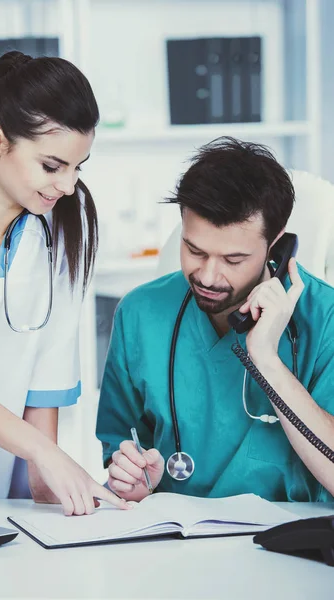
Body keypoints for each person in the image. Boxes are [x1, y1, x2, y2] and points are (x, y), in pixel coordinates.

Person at [0, 50, 130, 516]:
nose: (69, 185)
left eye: (79, 167)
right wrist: (45, 454)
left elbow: (43, 381)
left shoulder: (66, 230)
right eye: (52, 166)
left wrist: (54, 486)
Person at [96, 137, 334, 504]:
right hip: (177, 543)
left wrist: (266, 359)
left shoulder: (325, 318)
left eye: (233, 260)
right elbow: (121, 451)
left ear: (276, 246)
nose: (207, 275)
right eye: (194, 250)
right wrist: (134, 482)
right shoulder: (140, 313)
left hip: (293, 548)